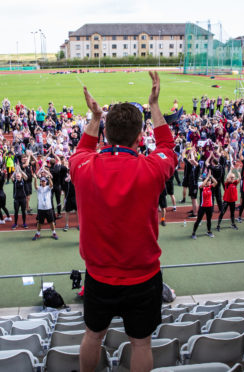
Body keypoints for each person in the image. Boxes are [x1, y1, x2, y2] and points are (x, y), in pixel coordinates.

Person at [70, 72, 177, 372]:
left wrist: (95, 117)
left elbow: (81, 149)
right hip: (143, 276)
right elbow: (167, 147)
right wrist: (154, 106)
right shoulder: (151, 169)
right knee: (141, 343)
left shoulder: (82, 167)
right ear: (140, 138)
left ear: (105, 134)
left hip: (99, 276)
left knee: (93, 336)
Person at [32, 172, 58, 241]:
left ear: (46, 182)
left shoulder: (48, 188)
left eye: (43, 181)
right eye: (41, 181)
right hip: (41, 208)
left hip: (48, 208)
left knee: (51, 221)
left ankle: (54, 233)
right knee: (39, 222)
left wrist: (49, 178)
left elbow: (51, 184)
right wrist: (35, 179)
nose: (42, 182)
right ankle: (38, 233)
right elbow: (35, 186)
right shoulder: (39, 188)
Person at [191, 172, 217, 239]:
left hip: (210, 207)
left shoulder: (211, 187)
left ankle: (209, 231)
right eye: (209, 181)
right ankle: (193, 233)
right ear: (206, 182)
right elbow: (202, 185)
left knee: (209, 220)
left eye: (210, 182)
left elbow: (216, 182)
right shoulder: (202, 188)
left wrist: (211, 177)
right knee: (198, 220)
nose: (210, 182)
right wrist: (207, 178)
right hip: (202, 207)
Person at [11, 164, 29, 229]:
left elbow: (26, 176)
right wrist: (15, 171)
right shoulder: (14, 181)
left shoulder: (23, 181)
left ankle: (24, 223)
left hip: (23, 199)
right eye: (17, 176)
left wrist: (20, 171)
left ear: (21, 176)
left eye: (19, 176)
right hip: (16, 199)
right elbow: (11, 177)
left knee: (23, 211)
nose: (18, 176)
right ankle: (15, 223)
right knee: (16, 212)